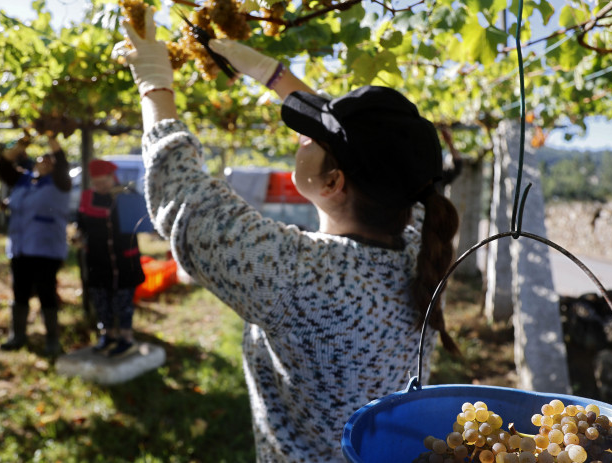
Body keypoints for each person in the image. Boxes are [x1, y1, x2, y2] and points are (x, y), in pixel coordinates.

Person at [114, 9, 459, 461]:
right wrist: (272, 74)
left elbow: (183, 198)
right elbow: (376, 154)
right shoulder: (414, 241)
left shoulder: (301, 277)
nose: (299, 137)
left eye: (310, 137)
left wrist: (155, 84)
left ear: (334, 183)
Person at [0, 134, 72, 357]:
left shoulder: (60, 184)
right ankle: (17, 336)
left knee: (47, 292)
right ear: (35, 162)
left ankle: (52, 340)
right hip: (20, 248)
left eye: (51, 160)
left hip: (46, 249)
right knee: (19, 292)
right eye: (42, 159)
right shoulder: (23, 180)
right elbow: (3, 165)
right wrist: (21, 143)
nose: (46, 161)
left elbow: (62, 161)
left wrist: (51, 137)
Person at [75, 159, 145, 357]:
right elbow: (81, 223)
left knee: (123, 301)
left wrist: (124, 197)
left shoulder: (125, 195)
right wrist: (79, 235)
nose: (101, 186)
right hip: (98, 260)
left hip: (124, 260)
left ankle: (126, 338)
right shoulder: (87, 198)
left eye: (104, 181)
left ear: (112, 178)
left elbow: (140, 215)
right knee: (101, 299)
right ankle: (108, 335)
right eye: (96, 182)